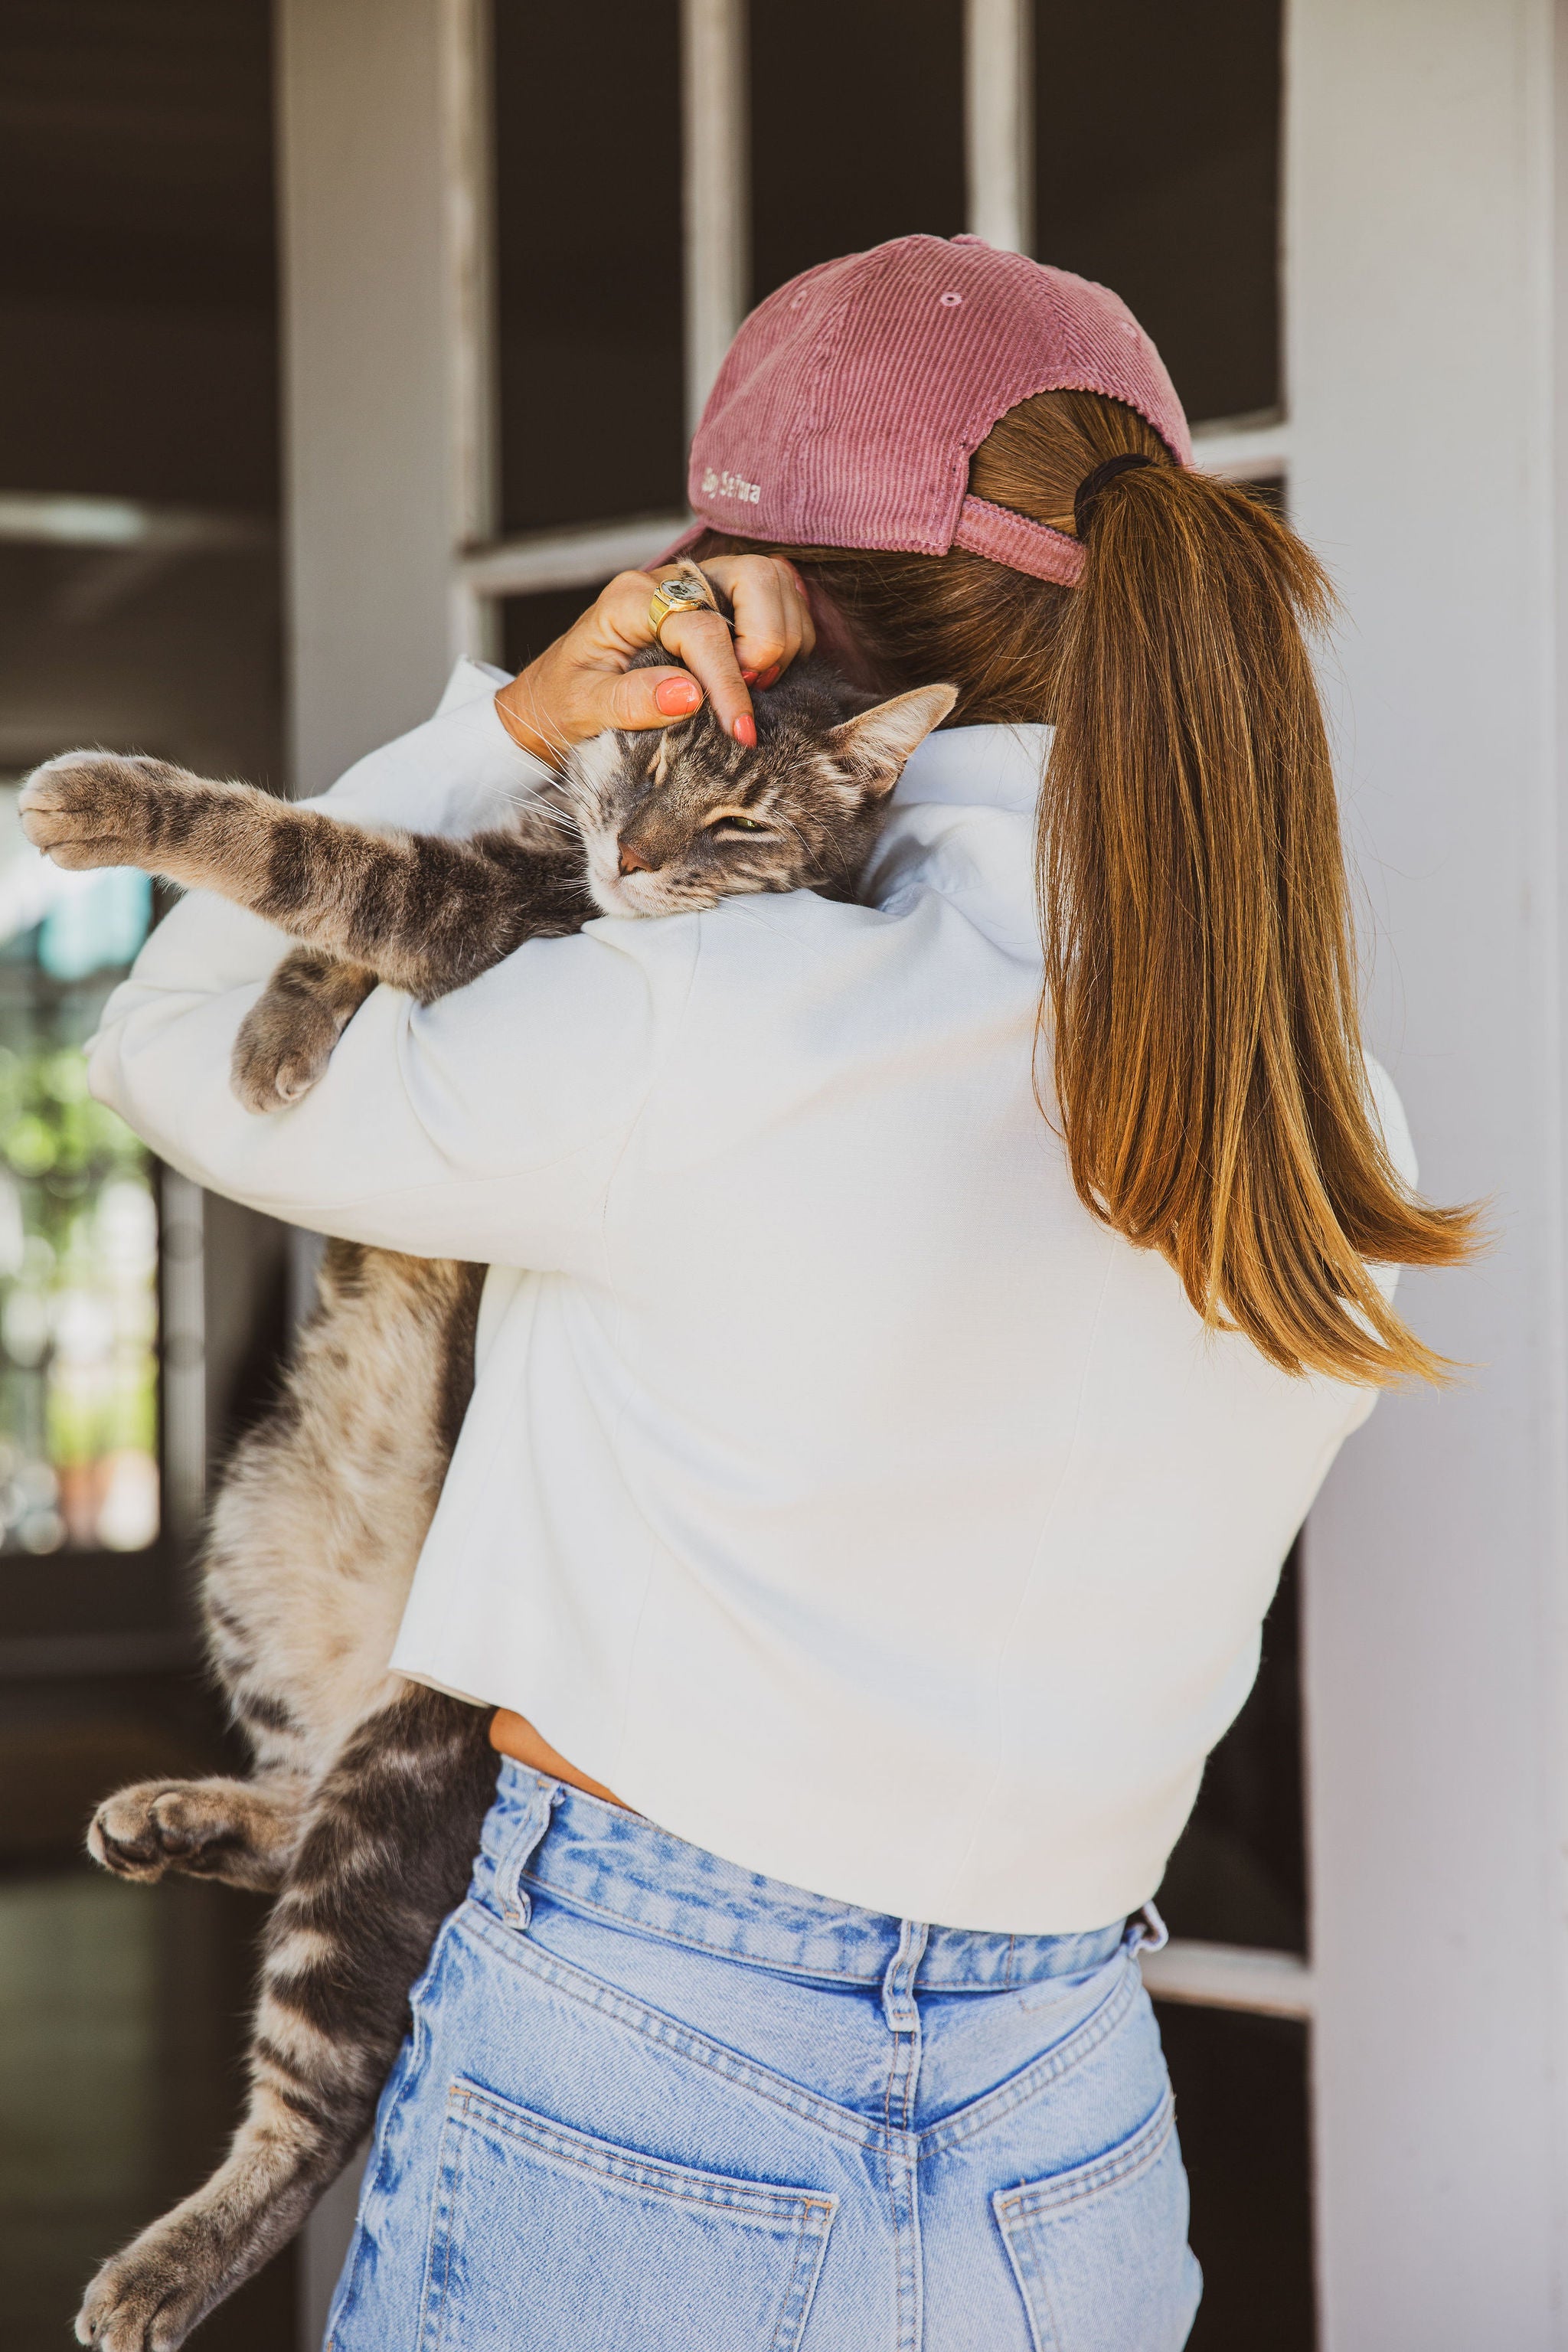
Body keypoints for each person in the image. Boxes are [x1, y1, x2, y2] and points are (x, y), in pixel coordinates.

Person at [89, 236, 1472, 2350]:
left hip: (641, 2064)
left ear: (754, 614)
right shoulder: (1316, 1097)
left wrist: (514, 724)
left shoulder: (710, 1020)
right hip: (1075, 2124)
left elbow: (173, 1042)